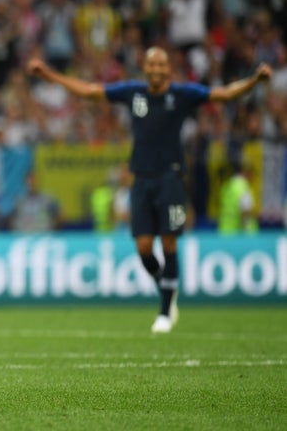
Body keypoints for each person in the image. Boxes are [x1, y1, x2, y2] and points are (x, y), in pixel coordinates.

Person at [28, 47, 272, 333]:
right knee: (143, 247)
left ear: (168, 69)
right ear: (144, 67)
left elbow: (225, 94)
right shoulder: (133, 92)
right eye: (151, 63)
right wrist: (49, 75)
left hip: (171, 179)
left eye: (161, 64)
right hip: (141, 180)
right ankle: (166, 287)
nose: (156, 68)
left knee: (169, 242)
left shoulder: (182, 94)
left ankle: (166, 310)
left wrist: (255, 80)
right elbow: (90, 91)